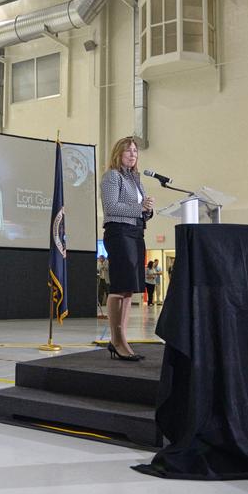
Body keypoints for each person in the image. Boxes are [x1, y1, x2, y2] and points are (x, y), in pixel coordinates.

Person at [100, 136, 152, 362]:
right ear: (118, 153)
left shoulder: (135, 179)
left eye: (135, 151)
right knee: (119, 287)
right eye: (128, 151)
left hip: (136, 232)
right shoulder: (113, 176)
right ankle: (117, 339)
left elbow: (139, 210)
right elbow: (111, 207)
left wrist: (148, 210)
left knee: (129, 290)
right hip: (119, 232)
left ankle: (122, 340)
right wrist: (139, 207)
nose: (133, 154)